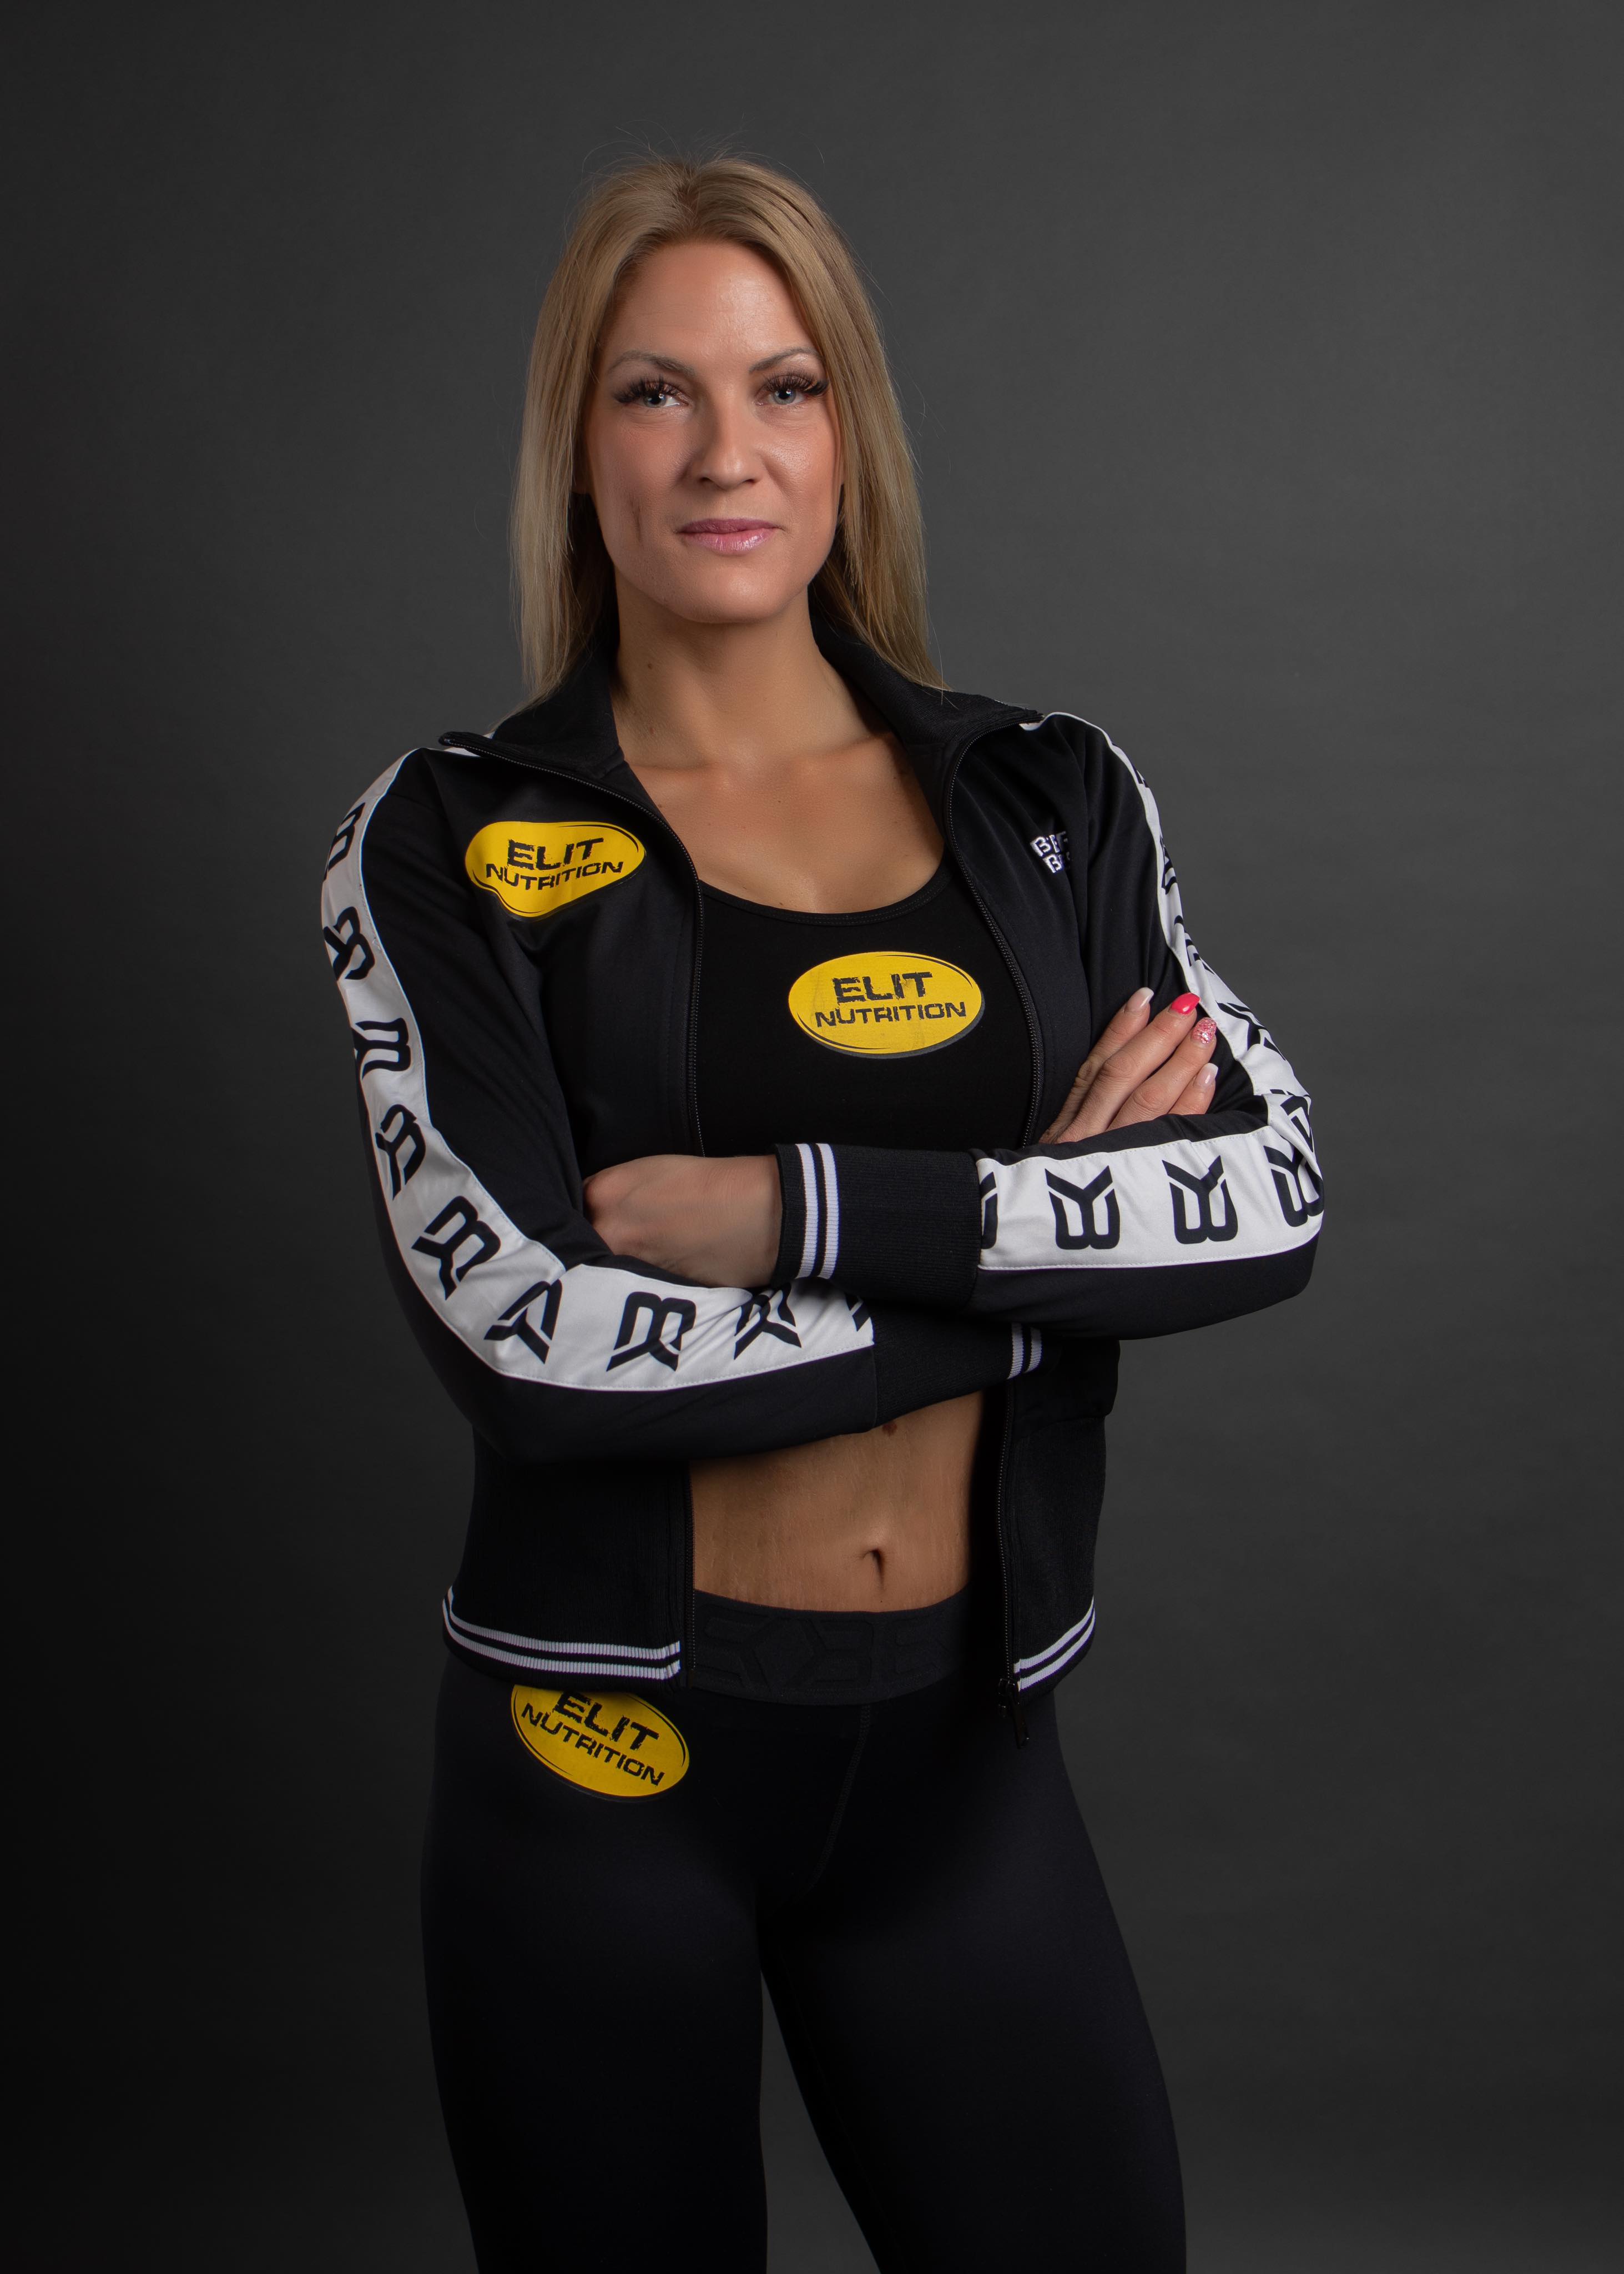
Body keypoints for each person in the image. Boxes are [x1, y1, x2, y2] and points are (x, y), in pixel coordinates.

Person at [321, 154, 1321, 2273]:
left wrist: (795, 1208)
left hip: (967, 1767)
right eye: (652, 394)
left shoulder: (1056, 802)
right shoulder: (450, 836)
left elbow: (1266, 1196)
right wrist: (1043, 1249)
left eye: (781, 388)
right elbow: (530, 1344)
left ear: (847, 434)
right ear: (574, 445)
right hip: (602, 1777)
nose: (723, 454)